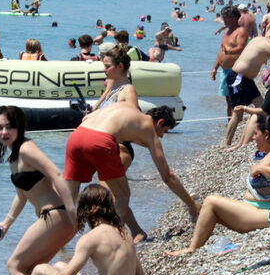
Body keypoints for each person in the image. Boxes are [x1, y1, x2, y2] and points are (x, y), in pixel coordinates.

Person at [64, 104, 200, 242]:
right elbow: (167, 176)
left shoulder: (128, 107)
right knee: (122, 195)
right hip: (101, 140)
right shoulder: (148, 127)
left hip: (76, 136)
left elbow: (86, 118)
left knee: (68, 200)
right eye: (164, 131)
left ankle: (59, 242)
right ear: (160, 122)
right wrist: (191, 205)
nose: (162, 136)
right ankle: (105, 240)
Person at [0, 106, 77, 275]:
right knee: (31, 268)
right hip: (56, 218)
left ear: (19, 127)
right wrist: (6, 224)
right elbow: (22, 195)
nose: (4, 132)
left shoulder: (26, 149)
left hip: (56, 215)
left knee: (14, 265)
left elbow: (56, 174)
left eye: (9, 127)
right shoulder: (14, 156)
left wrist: (72, 211)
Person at [166, 115, 270, 256]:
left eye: (255, 134)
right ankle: (195, 244)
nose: (253, 138)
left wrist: (260, 168)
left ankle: (192, 248)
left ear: (266, 134)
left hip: (269, 214)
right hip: (260, 211)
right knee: (210, 212)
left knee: (210, 201)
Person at [20, 184, 144, 275]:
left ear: (86, 211)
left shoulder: (91, 238)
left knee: (39, 270)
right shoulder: (125, 233)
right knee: (60, 266)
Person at [211, 5, 249, 118]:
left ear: (233, 18)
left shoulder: (241, 31)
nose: (223, 20)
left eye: (225, 18)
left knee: (235, 100)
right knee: (228, 101)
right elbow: (221, 51)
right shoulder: (226, 32)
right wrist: (215, 68)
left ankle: (237, 121)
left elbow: (241, 48)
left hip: (235, 70)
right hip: (225, 71)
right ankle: (230, 123)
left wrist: (229, 51)